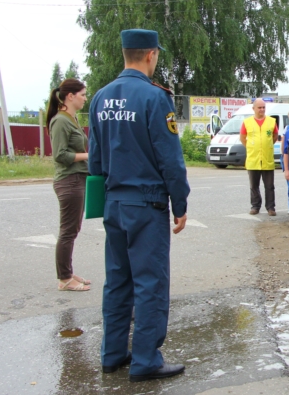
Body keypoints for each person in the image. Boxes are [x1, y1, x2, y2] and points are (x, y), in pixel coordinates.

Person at [88, 29, 190, 381]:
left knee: (117, 281)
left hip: (115, 202)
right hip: (146, 205)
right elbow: (171, 159)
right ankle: (146, 361)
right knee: (150, 283)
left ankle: (112, 354)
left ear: (124, 53)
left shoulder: (100, 97)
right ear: (151, 55)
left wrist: (104, 203)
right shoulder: (155, 98)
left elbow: (96, 160)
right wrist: (180, 202)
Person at [47, 78, 91, 292]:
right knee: (68, 231)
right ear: (70, 96)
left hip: (78, 179)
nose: (85, 98)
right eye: (82, 94)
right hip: (69, 180)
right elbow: (60, 155)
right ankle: (64, 279)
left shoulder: (71, 119)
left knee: (72, 229)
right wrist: (89, 155)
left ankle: (68, 271)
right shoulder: (60, 121)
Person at [240, 98, 278, 216]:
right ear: (253, 108)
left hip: (267, 158)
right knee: (254, 186)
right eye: (259, 107)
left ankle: (270, 208)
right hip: (253, 159)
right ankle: (255, 206)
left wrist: (266, 146)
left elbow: (275, 136)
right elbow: (242, 138)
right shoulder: (247, 122)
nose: (262, 110)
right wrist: (252, 147)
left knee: (269, 186)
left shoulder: (272, 121)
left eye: (263, 107)